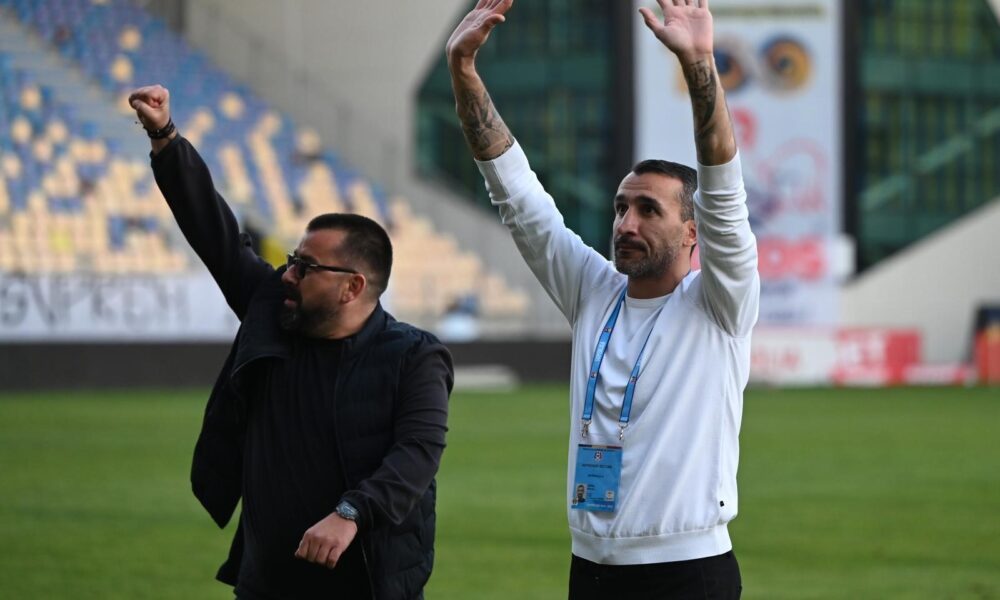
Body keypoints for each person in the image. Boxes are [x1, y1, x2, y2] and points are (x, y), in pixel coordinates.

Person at [445, 0, 758, 597]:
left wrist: (698, 65)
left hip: (688, 571)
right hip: (589, 568)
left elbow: (723, 191)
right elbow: (517, 197)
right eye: (620, 207)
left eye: (648, 210)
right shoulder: (593, 291)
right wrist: (463, 69)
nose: (626, 223)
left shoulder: (720, 302)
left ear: (693, 232)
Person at [128, 85, 453, 600]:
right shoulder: (272, 309)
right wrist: (166, 137)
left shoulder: (415, 356)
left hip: (369, 583)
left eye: (305, 266)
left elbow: (417, 452)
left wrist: (351, 512)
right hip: (267, 581)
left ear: (352, 287)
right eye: (292, 260)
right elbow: (214, 233)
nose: (288, 274)